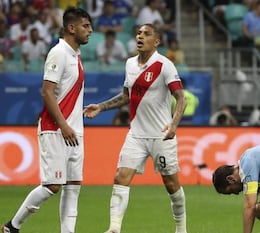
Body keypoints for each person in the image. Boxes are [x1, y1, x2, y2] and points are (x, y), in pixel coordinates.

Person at [83, 23, 188, 233]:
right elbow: (126, 96)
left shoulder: (164, 64)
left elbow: (181, 98)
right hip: (136, 135)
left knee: (171, 184)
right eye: (138, 33)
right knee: (120, 176)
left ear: (156, 41)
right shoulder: (130, 64)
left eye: (146, 34)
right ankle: (114, 228)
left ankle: (181, 228)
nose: (140, 36)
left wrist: (173, 125)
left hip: (161, 136)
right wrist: (102, 106)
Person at [1, 7, 92, 233]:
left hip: (75, 131)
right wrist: (64, 126)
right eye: (85, 26)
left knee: (73, 186)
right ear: (71, 28)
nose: (90, 30)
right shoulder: (59, 52)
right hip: (56, 129)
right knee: (53, 185)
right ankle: (12, 226)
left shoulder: (76, 55)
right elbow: (47, 92)